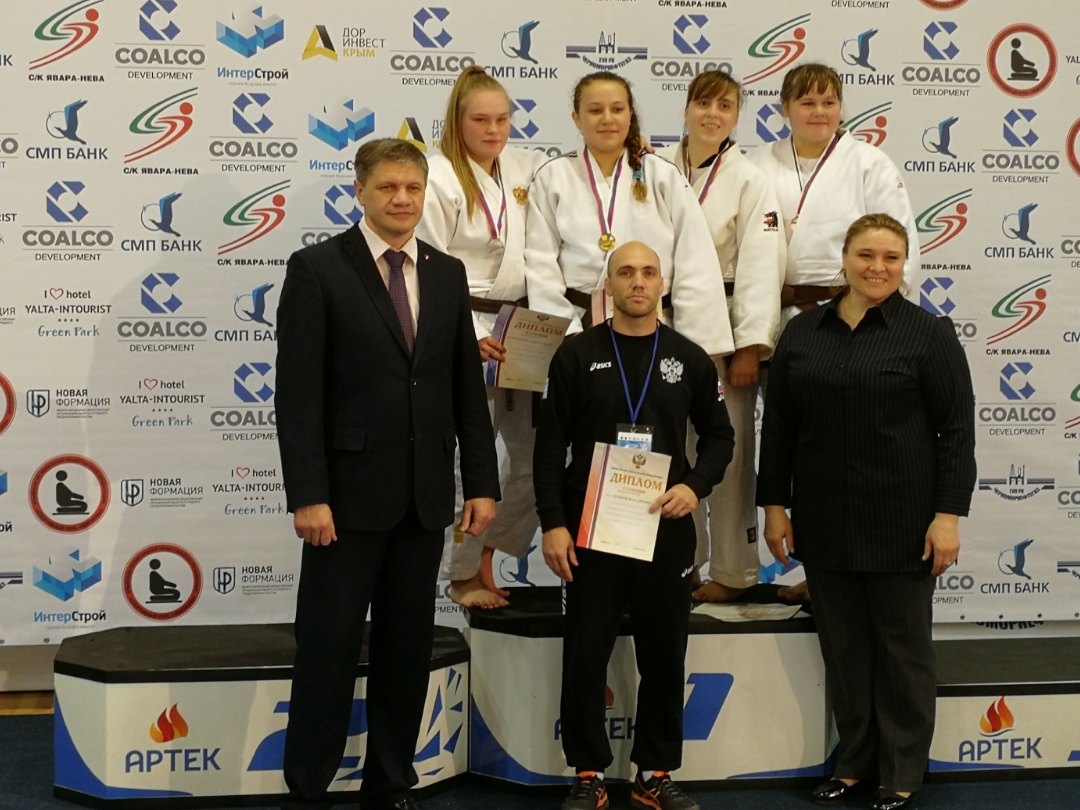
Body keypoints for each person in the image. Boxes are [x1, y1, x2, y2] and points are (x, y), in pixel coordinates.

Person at [275, 138, 500, 810]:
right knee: (328, 651)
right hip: (342, 506)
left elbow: (464, 389)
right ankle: (308, 789)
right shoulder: (317, 269)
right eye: (387, 188)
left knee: (406, 651)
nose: (402, 199)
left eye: (412, 188)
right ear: (360, 191)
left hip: (423, 502)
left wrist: (481, 482)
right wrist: (309, 494)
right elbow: (298, 396)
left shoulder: (447, 273)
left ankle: (391, 782)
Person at [757, 214, 976, 810]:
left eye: (890, 258)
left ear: (904, 264)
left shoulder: (928, 335)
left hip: (903, 523)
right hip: (824, 519)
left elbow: (957, 433)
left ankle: (900, 772)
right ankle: (853, 763)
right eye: (866, 255)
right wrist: (774, 505)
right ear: (845, 259)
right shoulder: (803, 332)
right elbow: (780, 428)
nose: (877, 268)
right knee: (845, 651)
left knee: (903, 654)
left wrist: (947, 516)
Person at [535, 241, 734, 810]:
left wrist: (694, 486)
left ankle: (654, 772)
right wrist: (553, 524)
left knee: (665, 656)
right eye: (626, 272)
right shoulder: (575, 355)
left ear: (662, 284)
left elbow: (721, 436)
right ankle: (588, 772)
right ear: (609, 285)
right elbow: (549, 446)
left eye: (648, 272)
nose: (638, 282)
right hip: (589, 531)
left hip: (664, 528)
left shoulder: (689, 358)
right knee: (586, 654)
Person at [748, 61, 919, 603]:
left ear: (842, 108)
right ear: (784, 109)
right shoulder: (757, 163)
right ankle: (804, 563)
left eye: (828, 102)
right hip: (776, 315)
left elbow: (898, 245)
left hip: (847, 317)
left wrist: (880, 323)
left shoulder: (869, 163)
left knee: (846, 447)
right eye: (806, 102)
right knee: (790, 445)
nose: (818, 112)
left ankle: (837, 564)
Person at [416, 66, 543, 610]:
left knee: (537, 458)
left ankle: (489, 551)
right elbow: (424, 265)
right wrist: (462, 335)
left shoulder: (525, 167)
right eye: (480, 120)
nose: (493, 130)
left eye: (502, 119)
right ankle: (459, 574)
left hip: (525, 327)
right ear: (457, 121)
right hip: (464, 326)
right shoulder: (438, 176)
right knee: (470, 459)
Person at [659, 70, 785, 603]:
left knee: (728, 454)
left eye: (725, 106)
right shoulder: (655, 167)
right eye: (704, 103)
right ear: (687, 108)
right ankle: (678, 563)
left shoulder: (750, 178)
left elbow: (761, 264)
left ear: (737, 116)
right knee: (669, 448)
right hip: (662, 322)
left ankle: (734, 571)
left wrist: (750, 346)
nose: (713, 114)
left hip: (726, 330)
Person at [525, 70, 734, 360]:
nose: (607, 119)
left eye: (617, 109)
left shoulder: (662, 175)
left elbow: (695, 261)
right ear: (576, 118)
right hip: (579, 329)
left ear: (630, 115)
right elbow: (540, 265)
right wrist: (567, 333)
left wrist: (695, 346)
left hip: (654, 327)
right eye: (595, 110)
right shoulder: (553, 177)